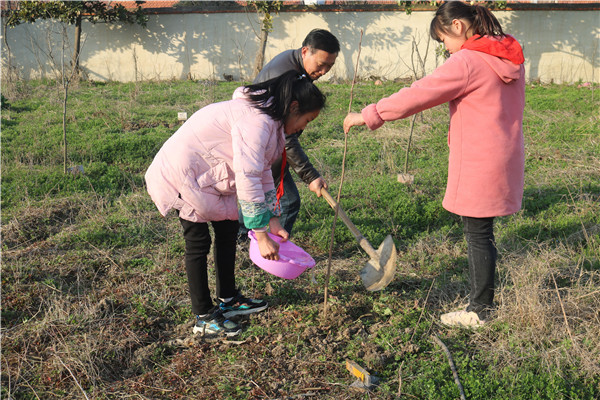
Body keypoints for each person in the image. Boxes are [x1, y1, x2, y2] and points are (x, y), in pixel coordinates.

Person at [343, 2, 525, 328]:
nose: (445, 47)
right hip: (505, 155)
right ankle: (482, 304)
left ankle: (480, 310)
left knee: (477, 234)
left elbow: (418, 94)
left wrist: (367, 114)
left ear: (457, 26)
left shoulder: (468, 60)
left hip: (478, 160)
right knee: (483, 232)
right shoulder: (507, 54)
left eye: (443, 39)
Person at [145, 71, 326, 337]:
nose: (303, 128)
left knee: (228, 232)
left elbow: (262, 170)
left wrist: (272, 219)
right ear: (294, 107)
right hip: (185, 174)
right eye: (306, 120)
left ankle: (229, 300)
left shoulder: (271, 121)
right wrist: (261, 235)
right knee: (198, 242)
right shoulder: (258, 122)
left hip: (212, 175)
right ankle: (204, 317)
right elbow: (249, 176)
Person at [239, 28, 340, 239]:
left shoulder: (297, 68)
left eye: (329, 67)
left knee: (261, 195)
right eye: (321, 65)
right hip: (259, 144)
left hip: (266, 143)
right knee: (284, 200)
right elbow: (286, 136)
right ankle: (264, 246)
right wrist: (310, 176)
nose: (323, 72)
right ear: (305, 51)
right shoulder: (286, 76)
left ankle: (248, 239)